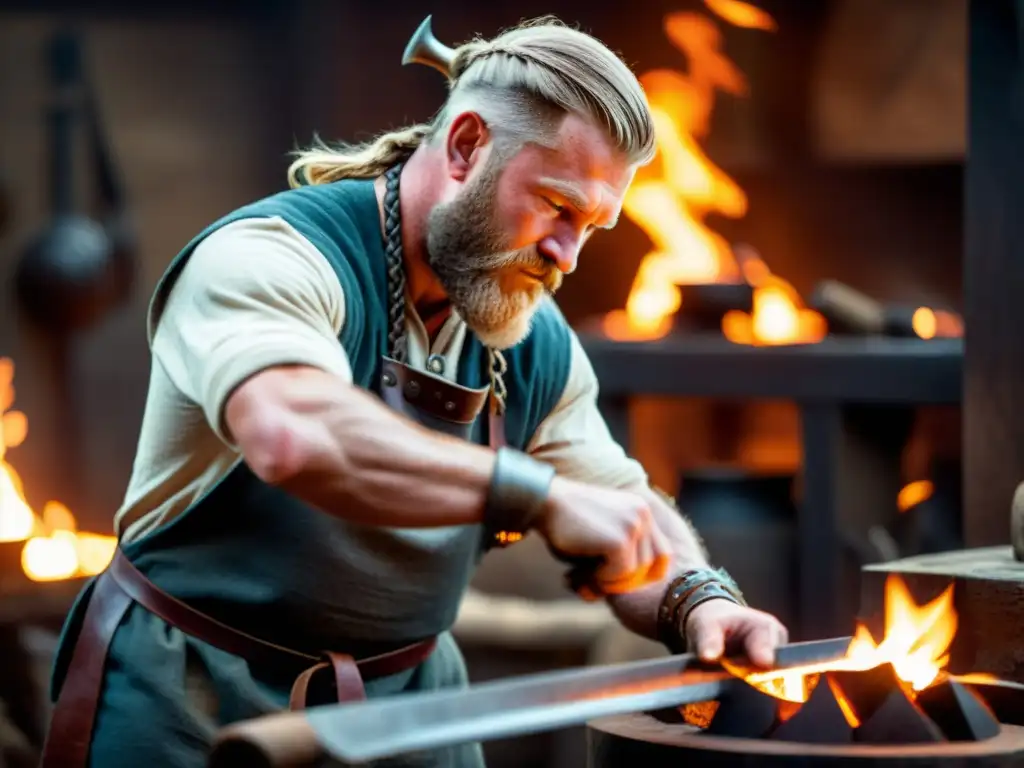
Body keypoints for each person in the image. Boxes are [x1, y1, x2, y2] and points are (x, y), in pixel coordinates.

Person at [41, 14, 788, 768]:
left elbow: (617, 504)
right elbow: (293, 434)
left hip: (410, 719)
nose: (566, 256)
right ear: (466, 146)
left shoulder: (535, 336)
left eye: (593, 226)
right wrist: (536, 496)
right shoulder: (268, 258)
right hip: (189, 708)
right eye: (558, 207)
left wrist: (699, 600)